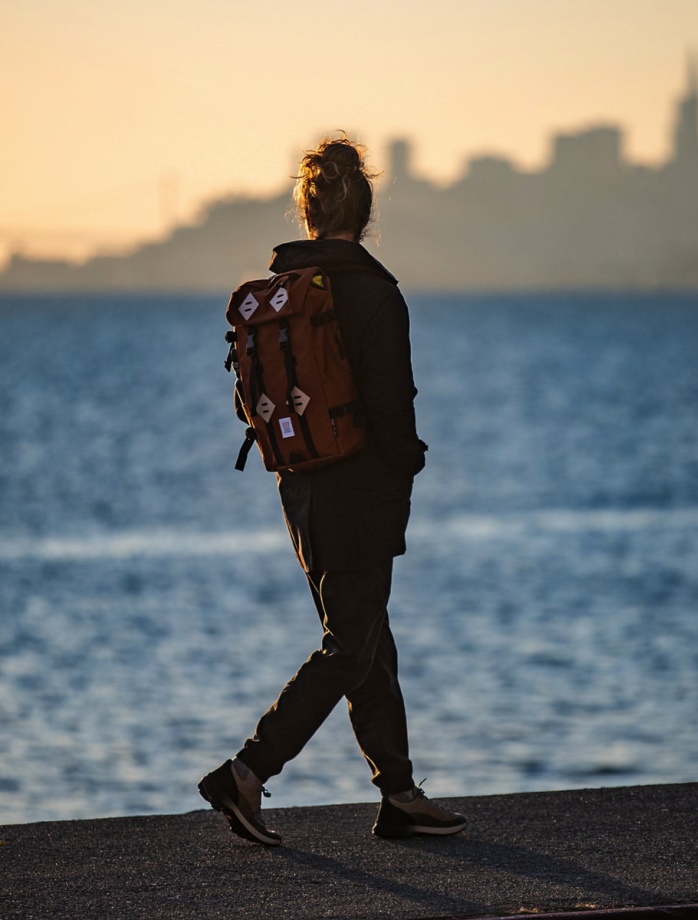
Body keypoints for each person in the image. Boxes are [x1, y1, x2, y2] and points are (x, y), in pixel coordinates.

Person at [198, 136, 466, 846]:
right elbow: (389, 409)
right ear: (366, 210)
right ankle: (247, 773)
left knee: (366, 635)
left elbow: (248, 405)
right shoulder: (374, 294)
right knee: (350, 643)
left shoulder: (279, 296)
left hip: (300, 491)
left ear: (308, 212)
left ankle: (399, 792)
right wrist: (409, 464)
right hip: (359, 492)